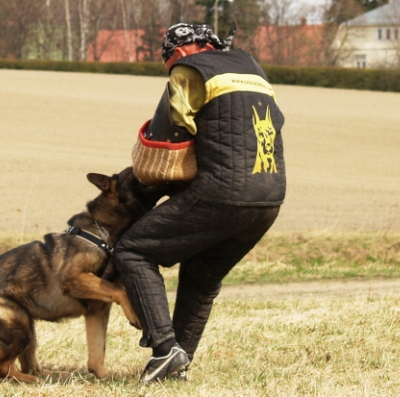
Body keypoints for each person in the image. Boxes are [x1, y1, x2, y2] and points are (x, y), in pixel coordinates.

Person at [114, 22, 286, 383]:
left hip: (223, 191)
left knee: (133, 250)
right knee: (202, 276)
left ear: (178, 52)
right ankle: (177, 364)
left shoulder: (190, 69)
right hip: (270, 196)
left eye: (168, 60)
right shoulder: (251, 67)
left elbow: (169, 132)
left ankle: (164, 347)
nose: (170, 67)